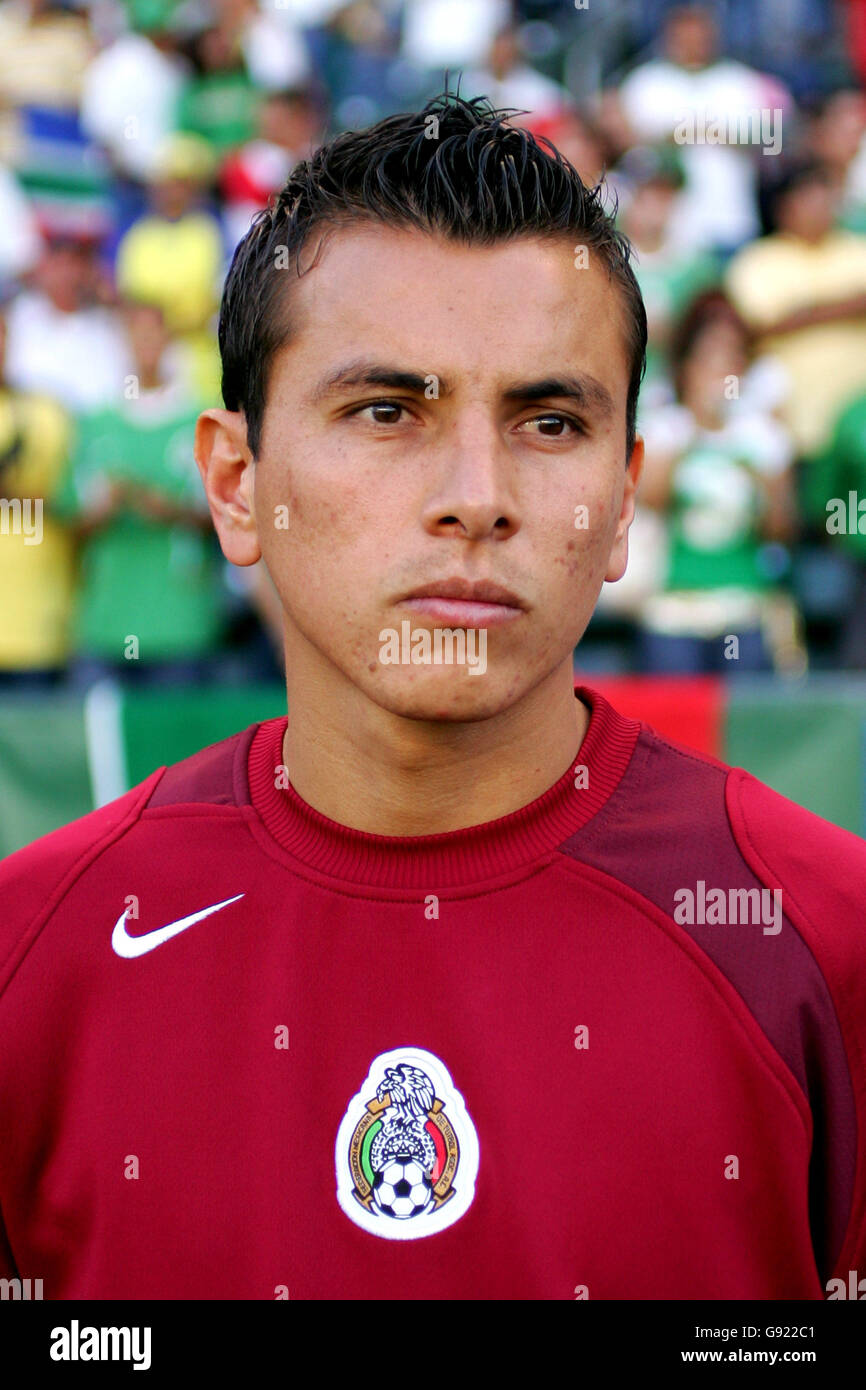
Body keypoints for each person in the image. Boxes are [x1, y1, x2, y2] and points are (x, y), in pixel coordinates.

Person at [0, 93, 864, 1302]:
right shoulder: (30, 954)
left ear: (621, 502)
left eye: (547, 419)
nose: (476, 494)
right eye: (386, 411)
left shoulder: (823, 940)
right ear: (236, 484)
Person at [637, 291, 796, 673]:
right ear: (688, 368)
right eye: (709, 360)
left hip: (743, 605)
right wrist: (696, 432)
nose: (720, 371)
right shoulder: (666, 428)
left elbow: (781, 529)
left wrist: (761, 476)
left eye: (731, 360)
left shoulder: (764, 437)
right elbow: (651, 501)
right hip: (674, 606)